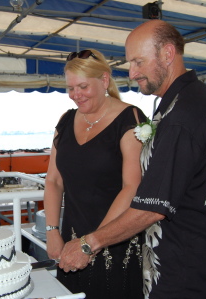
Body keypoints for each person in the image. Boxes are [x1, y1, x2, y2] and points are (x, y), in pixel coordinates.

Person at [57, 20, 206, 299]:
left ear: (167, 53)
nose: (132, 73)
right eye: (130, 63)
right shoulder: (191, 99)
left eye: (139, 62)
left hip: (184, 262)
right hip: (198, 250)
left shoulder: (182, 115)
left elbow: (152, 207)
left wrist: (88, 243)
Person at [44, 48, 147, 298]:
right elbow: (54, 180)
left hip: (116, 239)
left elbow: (131, 187)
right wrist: (52, 231)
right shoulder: (65, 121)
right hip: (70, 239)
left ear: (103, 80)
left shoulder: (130, 118)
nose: (75, 95)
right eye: (70, 88)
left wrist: (91, 243)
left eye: (82, 87)